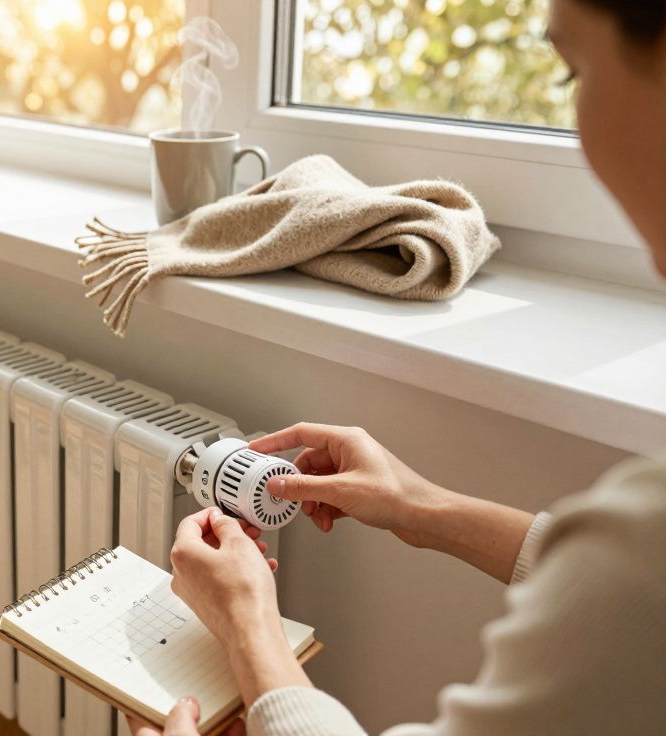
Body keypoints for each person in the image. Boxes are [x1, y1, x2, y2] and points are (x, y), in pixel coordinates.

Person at [131, 0, 666, 733]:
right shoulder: (636, 549)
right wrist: (420, 506)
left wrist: (248, 626)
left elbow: (636, 584)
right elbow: (627, 591)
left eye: (576, 70)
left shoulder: (641, 545)